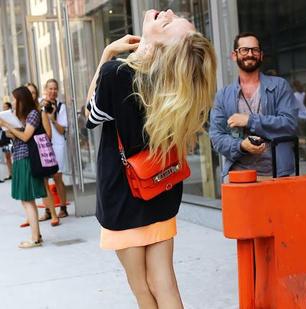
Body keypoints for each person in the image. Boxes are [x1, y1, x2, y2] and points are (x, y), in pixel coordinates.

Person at [85, 9, 216, 308]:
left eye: (168, 22)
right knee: (164, 282)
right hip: (161, 189)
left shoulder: (116, 74)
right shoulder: (177, 87)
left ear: (160, 43)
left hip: (122, 195)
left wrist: (107, 53)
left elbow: (89, 116)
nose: (166, 12)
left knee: (142, 287)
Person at [209, 32, 298, 181]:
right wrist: (241, 146)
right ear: (234, 55)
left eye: (254, 50)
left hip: (276, 174)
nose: (250, 54)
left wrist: (250, 121)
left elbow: (290, 124)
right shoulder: (223, 95)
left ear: (261, 55)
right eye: (244, 50)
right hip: (238, 176)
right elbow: (216, 137)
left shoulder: (279, 86)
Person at [0, 87, 46, 248]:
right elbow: (15, 135)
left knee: (27, 200)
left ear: (22, 100)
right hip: (19, 158)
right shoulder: (22, 117)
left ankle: (35, 239)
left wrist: (7, 124)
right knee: (26, 200)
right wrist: (9, 128)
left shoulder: (33, 114)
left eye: (15, 99)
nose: (13, 102)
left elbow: (26, 136)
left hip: (26, 159)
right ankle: (37, 235)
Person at [24, 82, 60, 226]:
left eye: (33, 92)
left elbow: (49, 134)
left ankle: (53, 214)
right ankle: (32, 215)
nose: (30, 95)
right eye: (28, 92)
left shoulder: (40, 111)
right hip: (28, 151)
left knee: (44, 183)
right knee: (30, 184)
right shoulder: (23, 113)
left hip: (39, 151)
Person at [40, 79, 68, 219]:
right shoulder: (39, 105)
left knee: (57, 177)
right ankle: (48, 210)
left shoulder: (61, 107)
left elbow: (62, 130)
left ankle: (63, 207)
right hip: (44, 146)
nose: (53, 91)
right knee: (44, 179)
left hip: (58, 145)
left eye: (55, 88)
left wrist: (52, 118)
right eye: (50, 88)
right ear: (45, 89)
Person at [0, 102, 13, 182]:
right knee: (7, 157)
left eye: (6, 107)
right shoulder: (1, 116)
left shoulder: (11, 115)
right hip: (4, 138)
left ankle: (16, 174)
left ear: (9, 108)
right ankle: (11, 174)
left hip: (11, 138)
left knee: (13, 156)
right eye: (3, 107)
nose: (4, 108)